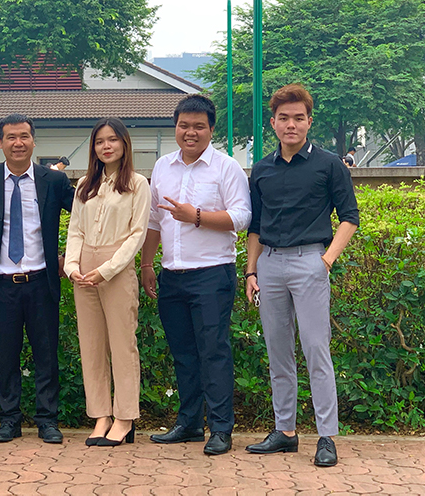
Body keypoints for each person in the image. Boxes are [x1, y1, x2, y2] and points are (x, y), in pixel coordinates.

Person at [244, 84, 359, 467]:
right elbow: (256, 226)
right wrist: (251, 270)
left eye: (298, 118)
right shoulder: (261, 169)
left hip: (311, 261)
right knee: (278, 352)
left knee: (315, 349)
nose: (290, 125)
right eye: (283, 118)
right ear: (272, 123)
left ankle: (326, 436)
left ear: (309, 121)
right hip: (270, 265)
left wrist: (326, 260)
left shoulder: (329, 165)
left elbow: (349, 218)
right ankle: (285, 431)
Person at [141, 95, 251, 456]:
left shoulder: (226, 167)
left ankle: (220, 428)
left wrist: (197, 216)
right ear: (176, 127)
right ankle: (188, 423)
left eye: (198, 126)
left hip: (211, 274)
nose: (190, 132)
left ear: (211, 129)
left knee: (213, 352)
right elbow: (155, 221)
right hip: (172, 275)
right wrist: (147, 265)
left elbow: (241, 218)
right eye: (184, 125)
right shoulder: (162, 167)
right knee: (184, 353)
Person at [0, 113, 75, 444]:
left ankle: (47, 419)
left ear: (33, 140)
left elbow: (87, 219)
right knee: (7, 355)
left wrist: (69, 256)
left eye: (24, 136)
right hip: (3, 284)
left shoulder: (53, 181)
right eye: (11, 137)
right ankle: (9, 419)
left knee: (46, 354)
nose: (18, 142)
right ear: (0, 142)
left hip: (42, 281)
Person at [64, 118, 150, 447]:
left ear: (125, 144)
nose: (106, 146)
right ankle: (100, 415)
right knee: (92, 346)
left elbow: (137, 235)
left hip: (116, 269)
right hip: (83, 270)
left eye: (113, 140)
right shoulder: (85, 184)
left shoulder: (138, 184)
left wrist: (108, 269)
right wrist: (72, 265)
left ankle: (125, 417)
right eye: (100, 141)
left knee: (122, 346)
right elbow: (76, 230)